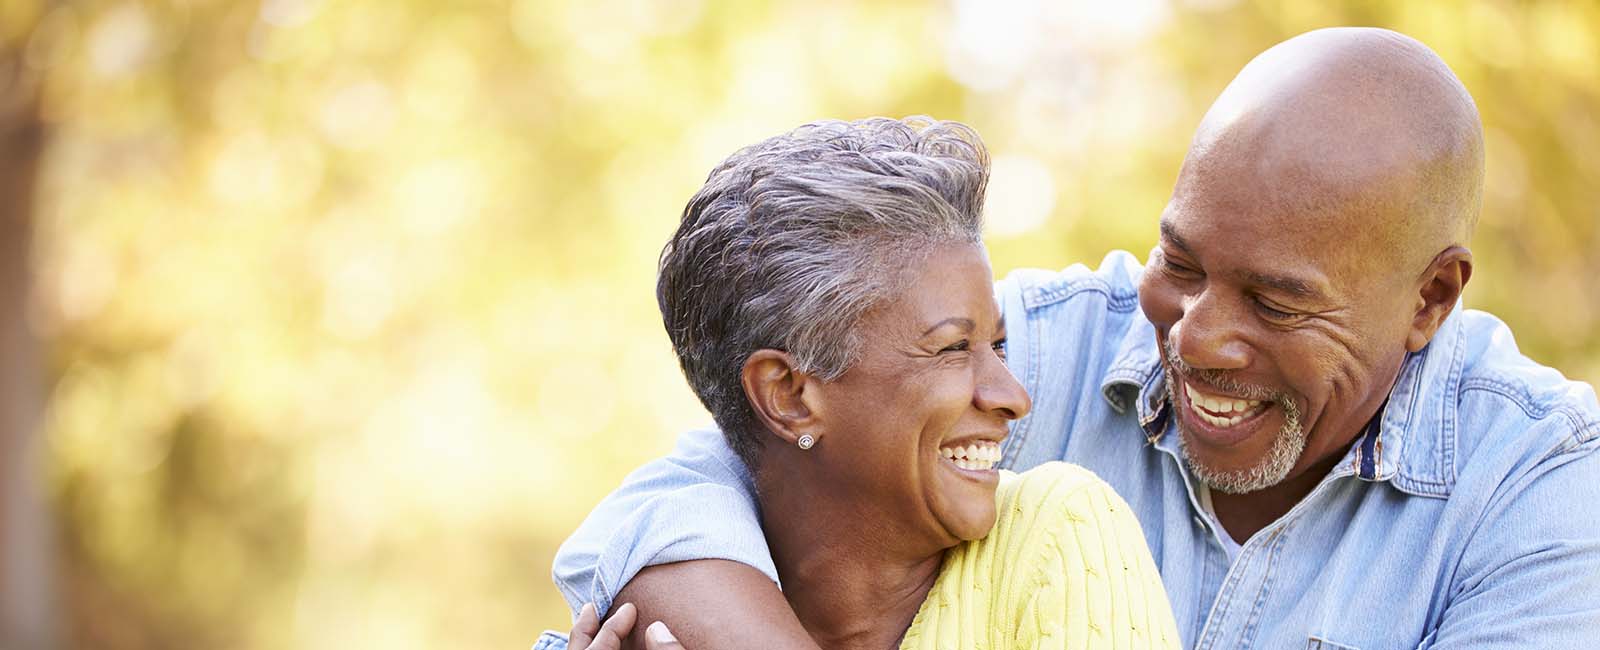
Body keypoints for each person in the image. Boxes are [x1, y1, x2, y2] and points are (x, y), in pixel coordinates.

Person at [552, 27, 1600, 649]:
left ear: (1431, 297)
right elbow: (702, 485)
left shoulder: (1540, 485)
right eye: (1180, 262)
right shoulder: (1038, 349)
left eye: (1277, 303)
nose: (1197, 338)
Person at [535, 117, 1181, 650]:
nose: (1013, 395)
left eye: (998, 343)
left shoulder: (1058, 535)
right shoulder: (673, 596)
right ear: (788, 395)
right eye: (955, 347)